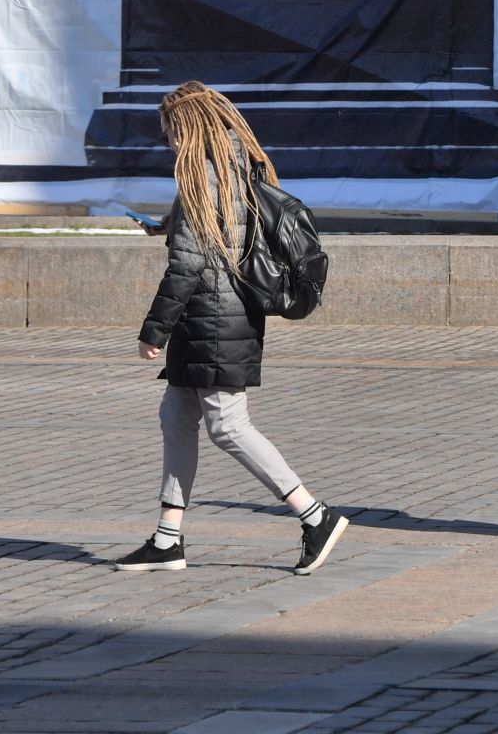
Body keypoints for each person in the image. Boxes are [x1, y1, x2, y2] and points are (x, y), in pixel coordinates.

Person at [116, 79, 348, 576]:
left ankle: (315, 516)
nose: (168, 145)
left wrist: (153, 330)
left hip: (214, 320)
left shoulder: (203, 176)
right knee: (176, 416)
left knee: (228, 424)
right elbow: (216, 230)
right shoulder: (232, 164)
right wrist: (168, 224)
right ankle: (167, 540)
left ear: (187, 129)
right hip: (215, 316)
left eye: (168, 135)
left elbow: (188, 266)